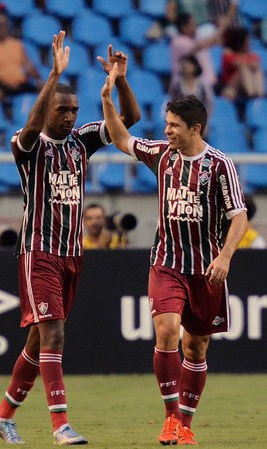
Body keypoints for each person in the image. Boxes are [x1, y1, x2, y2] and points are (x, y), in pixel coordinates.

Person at [0, 31, 140, 445]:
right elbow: (33, 126)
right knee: (54, 334)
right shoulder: (29, 146)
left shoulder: (82, 143)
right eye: (63, 110)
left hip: (72, 254)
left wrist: (120, 81)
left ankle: (2, 417)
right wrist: (53, 76)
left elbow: (130, 121)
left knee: (39, 341)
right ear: (48, 108)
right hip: (38, 251)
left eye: (73, 110)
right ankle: (60, 426)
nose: (70, 116)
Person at [101, 66, 248, 445]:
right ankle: (169, 419)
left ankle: (185, 423)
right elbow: (121, 138)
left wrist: (226, 256)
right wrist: (109, 94)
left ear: (195, 128)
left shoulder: (219, 166)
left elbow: (239, 216)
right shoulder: (162, 155)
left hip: (207, 270)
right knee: (166, 332)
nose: (166, 131)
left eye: (173, 125)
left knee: (195, 346)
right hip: (166, 263)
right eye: (166, 124)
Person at [0, 12, 43, 103]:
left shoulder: (17, 44)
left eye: (3, 25)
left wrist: (39, 80)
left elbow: (28, 66)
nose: (0, 28)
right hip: (0, 86)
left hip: (20, 84)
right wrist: (6, 83)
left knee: (43, 91)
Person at [170, 12, 227, 89]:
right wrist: (222, 26)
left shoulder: (196, 37)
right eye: (192, 24)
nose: (195, 26)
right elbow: (201, 45)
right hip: (187, 86)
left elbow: (217, 41)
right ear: (184, 27)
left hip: (209, 83)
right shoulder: (178, 42)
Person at [220, 27, 265, 101]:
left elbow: (256, 63)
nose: (248, 43)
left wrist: (251, 64)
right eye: (246, 41)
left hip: (248, 87)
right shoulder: (228, 54)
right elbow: (236, 63)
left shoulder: (252, 55)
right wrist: (249, 63)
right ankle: (251, 93)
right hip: (233, 86)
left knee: (257, 69)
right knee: (243, 68)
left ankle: (260, 95)